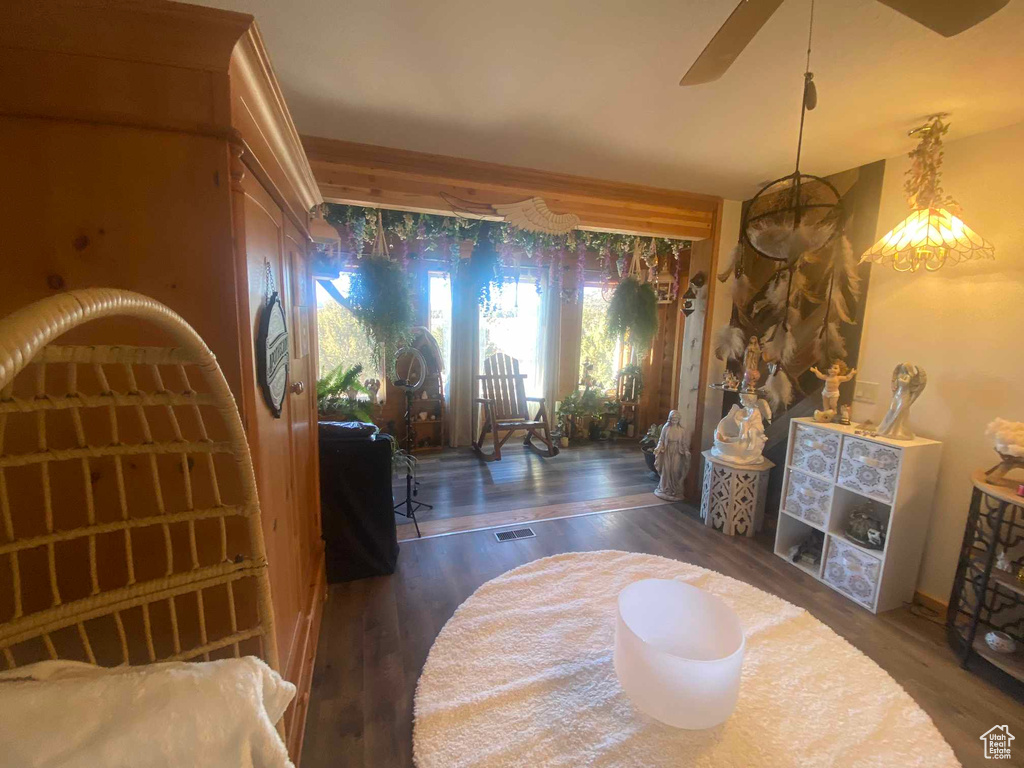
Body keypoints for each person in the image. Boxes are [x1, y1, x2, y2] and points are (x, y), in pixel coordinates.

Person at [654, 410, 689, 501]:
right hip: (667, 450)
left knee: (674, 470)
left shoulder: (681, 430)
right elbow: (661, 440)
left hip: (677, 451)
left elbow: (684, 443)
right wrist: (658, 448)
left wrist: (686, 451)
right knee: (666, 470)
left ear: (679, 420)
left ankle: (675, 489)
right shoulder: (666, 428)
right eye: (673, 419)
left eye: (676, 419)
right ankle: (665, 488)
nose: (674, 421)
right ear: (670, 419)